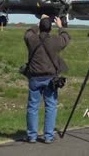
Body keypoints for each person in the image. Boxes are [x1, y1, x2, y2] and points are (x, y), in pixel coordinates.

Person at [24, 14, 70, 144]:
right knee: (51, 106)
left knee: (32, 107)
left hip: (34, 78)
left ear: (40, 27)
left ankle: (32, 136)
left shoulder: (31, 39)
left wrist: (38, 24)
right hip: (50, 78)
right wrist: (61, 26)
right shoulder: (55, 40)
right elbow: (66, 38)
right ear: (50, 29)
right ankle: (48, 136)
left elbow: (28, 33)